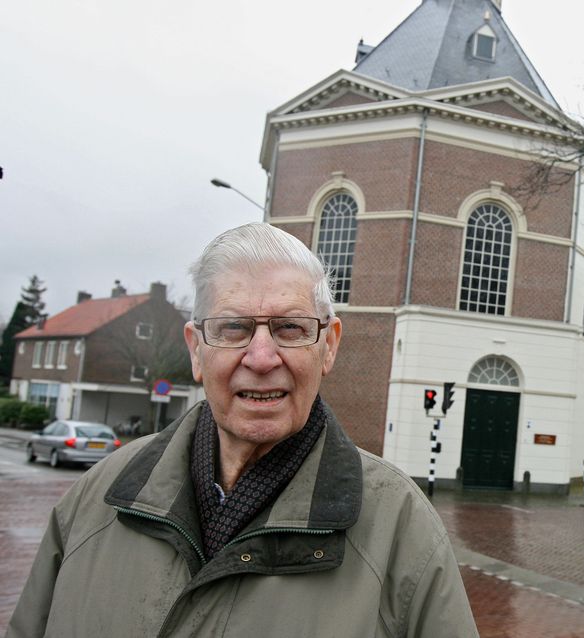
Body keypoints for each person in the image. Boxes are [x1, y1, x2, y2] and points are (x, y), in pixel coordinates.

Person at [7, 223, 479, 637]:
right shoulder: (93, 503)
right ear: (196, 349)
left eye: (290, 328)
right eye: (233, 328)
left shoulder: (401, 531)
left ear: (328, 346)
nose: (260, 357)